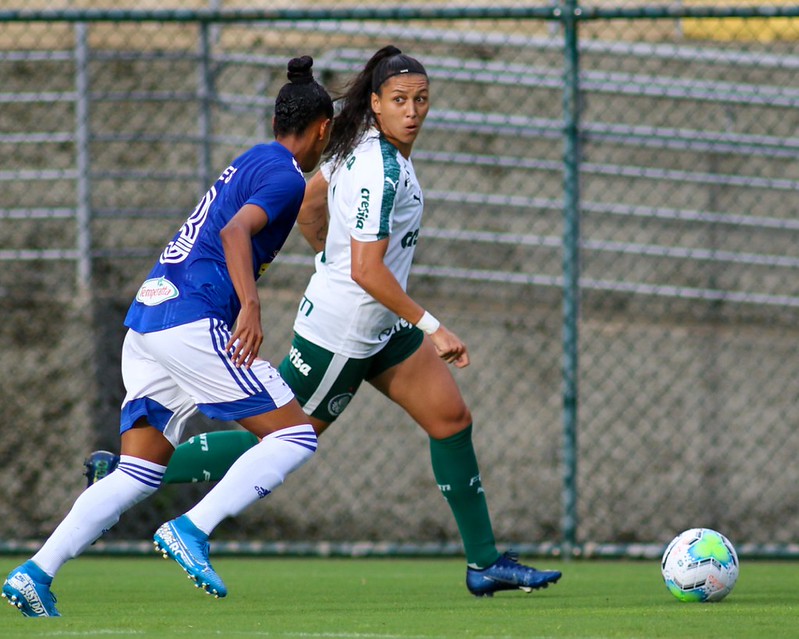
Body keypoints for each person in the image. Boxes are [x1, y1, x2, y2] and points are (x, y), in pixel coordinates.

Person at [84, 45, 562, 598]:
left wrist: (330, 256)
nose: (413, 110)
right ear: (377, 104)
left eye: (421, 100)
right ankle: (132, 476)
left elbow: (314, 202)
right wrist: (433, 326)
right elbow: (365, 269)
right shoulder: (377, 165)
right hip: (346, 332)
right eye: (400, 100)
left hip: (377, 321)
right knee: (289, 434)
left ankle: (484, 563)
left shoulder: (355, 146)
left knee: (451, 419)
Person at [1, 56, 334, 618]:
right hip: (192, 321)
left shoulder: (253, 159)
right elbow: (234, 232)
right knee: (296, 436)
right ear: (322, 128)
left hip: (148, 320)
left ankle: (36, 572)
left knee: (138, 471)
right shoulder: (284, 177)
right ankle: (193, 529)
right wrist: (250, 308)